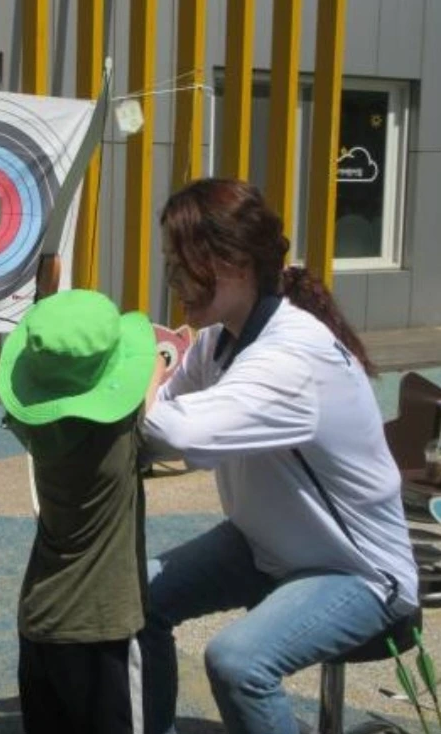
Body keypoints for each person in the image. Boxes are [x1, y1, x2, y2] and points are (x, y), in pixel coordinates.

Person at [138, 178, 418, 734]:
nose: (173, 281)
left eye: (182, 263)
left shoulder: (292, 357)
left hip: (357, 571)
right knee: (135, 602)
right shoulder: (219, 342)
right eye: (169, 263)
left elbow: (174, 433)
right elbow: (160, 420)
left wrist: (147, 364)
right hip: (264, 544)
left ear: (236, 262)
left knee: (238, 662)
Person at [0, 288, 159, 734]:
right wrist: (161, 356)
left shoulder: (31, 425)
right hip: (100, 627)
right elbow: (151, 376)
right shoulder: (118, 433)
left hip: (39, 619)